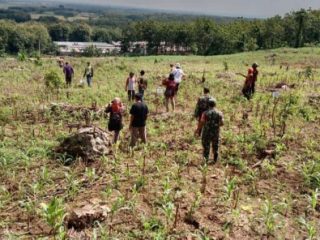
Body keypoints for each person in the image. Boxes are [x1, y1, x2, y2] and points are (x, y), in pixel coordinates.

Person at [195, 98, 224, 164]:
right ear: (215, 104)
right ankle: (215, 159)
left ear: (208, 105)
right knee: (215, 145)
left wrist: (198, 130)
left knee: (206, 146)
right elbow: (222, 123)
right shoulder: (219, 113)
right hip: (216, 132)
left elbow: (202, 122)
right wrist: (216, 125)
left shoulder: (205, 113)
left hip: (206, 132)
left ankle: (206, 160)